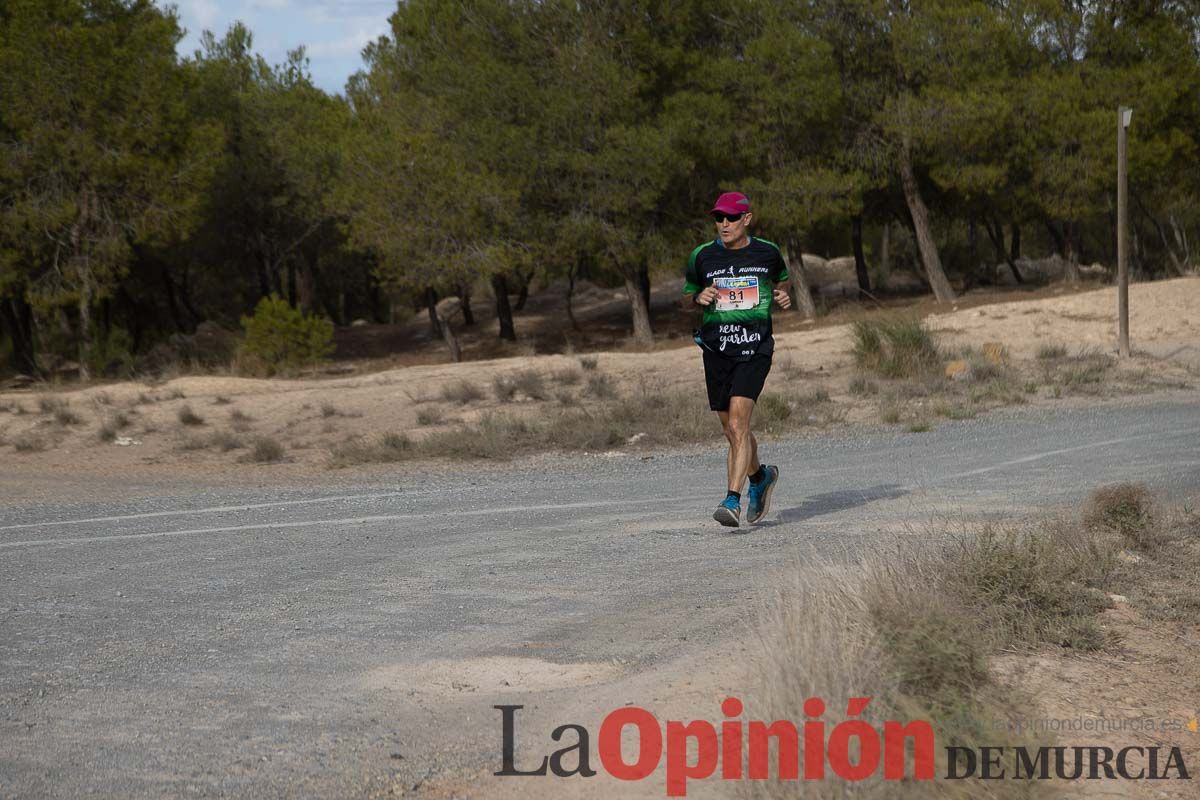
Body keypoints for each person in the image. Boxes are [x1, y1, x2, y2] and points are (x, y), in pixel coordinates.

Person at [682, 191, 792, 528]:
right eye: (719, 218)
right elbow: (687, 299)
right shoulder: (701, 256)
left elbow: (784, 282)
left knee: (738, 425)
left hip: (754, 349)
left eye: (731, 217)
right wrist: (698, 298)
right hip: (716, 351)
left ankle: (732, 500)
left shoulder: (768, 252)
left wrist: (785, 295)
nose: (724, 224)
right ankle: (760, 477)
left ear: (747, 218)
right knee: (731, 431)